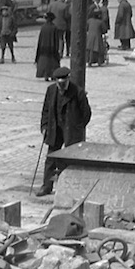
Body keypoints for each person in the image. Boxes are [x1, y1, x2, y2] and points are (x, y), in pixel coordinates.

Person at [37, 66, 92, 196]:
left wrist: (77, 127)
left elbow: (86, 113)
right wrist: (44, 126)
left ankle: (67, 187)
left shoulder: (78, 92)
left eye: (64, 84)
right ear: (56, 82)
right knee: (51, 157)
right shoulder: (51, 90)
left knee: (69, 159)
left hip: (70, 129)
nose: (61, 87)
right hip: (54, 127)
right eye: (59, 84)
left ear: (68, 80)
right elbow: (45, 110)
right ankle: (46, 186)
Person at [35, 11, 61, 80]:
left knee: (44, 63)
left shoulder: (43, 27)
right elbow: (56, 40)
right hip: (52, 48)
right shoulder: (54, 27)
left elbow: (40, 39)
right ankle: (53, 75)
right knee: (53, 63)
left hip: (43, 48)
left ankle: (45, 75)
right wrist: (57, 49)